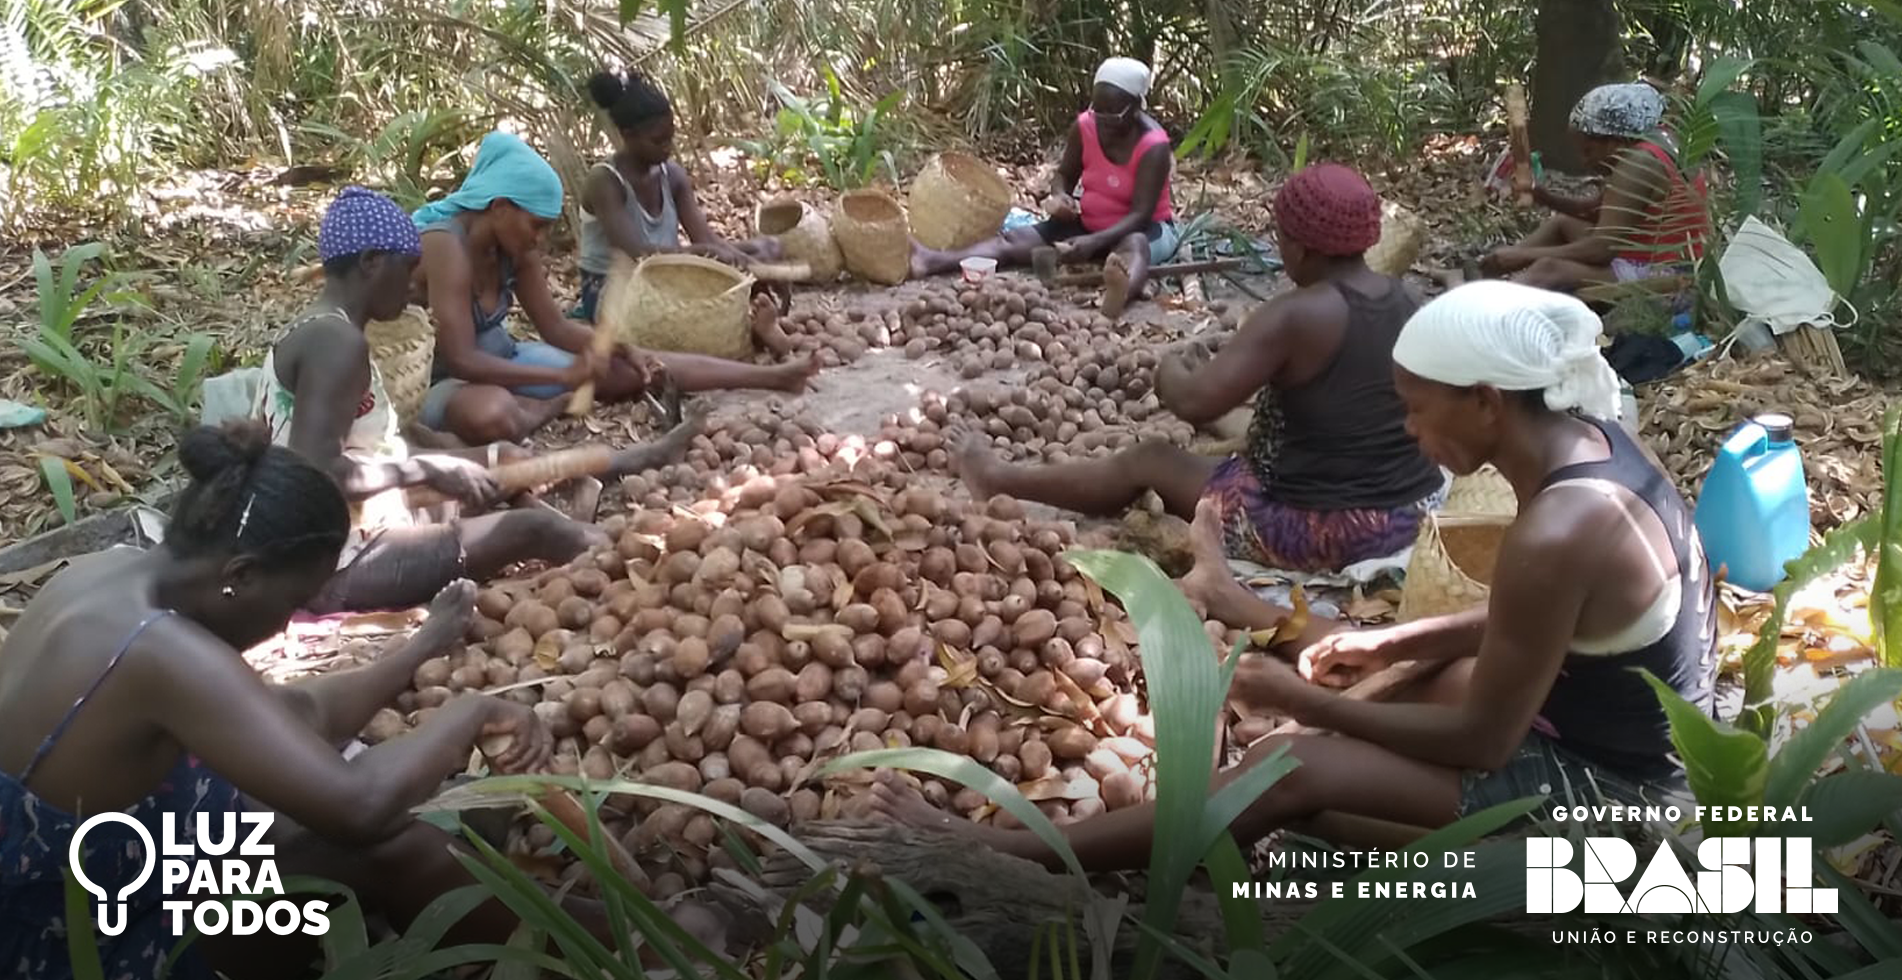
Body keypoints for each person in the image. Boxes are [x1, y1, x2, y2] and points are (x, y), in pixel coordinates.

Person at [871, 280, 1719, 872]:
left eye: (1419, 409)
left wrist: (1307, 704)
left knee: (1294, 770)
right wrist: (1391, 637)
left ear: (1490, 402)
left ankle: (1016, 851)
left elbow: (1486, 745)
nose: (1411, 432)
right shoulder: (1601, 449)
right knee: (1408, 679)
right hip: (1597, 721)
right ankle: (1291, 821)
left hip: (1618, 800)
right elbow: (1538, 623)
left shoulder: (1559, 528)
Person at [0, 422, 619, 979]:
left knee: (372, 805)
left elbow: (292, 718)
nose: (287, 620)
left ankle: (573, 928)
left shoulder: (110, 576)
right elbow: (360, 808)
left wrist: (418, 648)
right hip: (96, 939)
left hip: (110, 865)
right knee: (389, 845)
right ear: (241, 577)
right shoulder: (162, 654)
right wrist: (474, 713)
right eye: (294, 598)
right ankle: (628, 954)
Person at [952, 164, 1446, 630]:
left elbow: (1193, 403)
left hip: (1326, 529)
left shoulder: (1297, 313)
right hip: (1409, 510)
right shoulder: (1403, 299)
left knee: (1150, 459)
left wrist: (1173, 368)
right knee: (1255, 432)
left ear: (1298, 247)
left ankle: (999, 477)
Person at [264, 186, 703, 613]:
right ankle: (656, 565)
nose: (415, 286)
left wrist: (452, 459)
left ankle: (638, 457)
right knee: (534, 528)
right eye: (409, 268)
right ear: (371, 262)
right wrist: (431, 467)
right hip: (340, 561)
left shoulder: (323, 328)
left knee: (503, 460)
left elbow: (357, 448)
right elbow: (316, 473)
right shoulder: (337, 343)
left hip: (362, 521)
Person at [411, 131, 815, 445]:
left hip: (504, 356)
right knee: (492, 415)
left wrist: (618, 346)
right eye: (536, 226)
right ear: (499, 208)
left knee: (624, 372)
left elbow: (556, 328)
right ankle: (545, 404)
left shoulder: (516, 248)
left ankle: (771, 377)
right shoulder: (444, 245)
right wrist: (567, 376)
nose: (540, 240)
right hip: (444, 381)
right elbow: (461, 358)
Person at [909, 57, 1178, 319]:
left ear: (1136, 108)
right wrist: (1060, 197)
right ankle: (933, 261)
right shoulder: (1086, 126)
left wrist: (1094, 242)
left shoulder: (1153, 146)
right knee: (1014, 240)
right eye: (1098, 110)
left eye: (1113, 114)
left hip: (1144, 229)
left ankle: (1118, 295)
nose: (1103, 120)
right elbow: (1063, 176)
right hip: (1088, 226)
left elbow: (1140, 215)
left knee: (1135, 246)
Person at [573, 68, 792, 355]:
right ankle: (749, 327)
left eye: (670, 138)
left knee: (768, 248)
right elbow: (639, 255)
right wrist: (704, 255)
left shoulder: (671, 174)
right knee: (675, 303)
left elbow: (708, 240)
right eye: (658, 141)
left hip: (672, 273)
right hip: (615, 285)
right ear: (628, 135)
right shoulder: (604, 181)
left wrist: (754, 268)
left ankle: (757, 320)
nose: (668, 148)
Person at [1481, 82, 1711, 293]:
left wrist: (1523, 256)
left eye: (1588, 150)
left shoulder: (1638, 163)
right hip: (1650, 254)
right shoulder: (1659, 141)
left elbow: (1602, 249)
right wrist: (1543, 196)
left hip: (1666, 274)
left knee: (1550, 269)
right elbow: (1595, 212)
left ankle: (1488, 309)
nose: (1584, 161)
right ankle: (1484, 274)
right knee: (1562, 224)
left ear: (1614, 140)